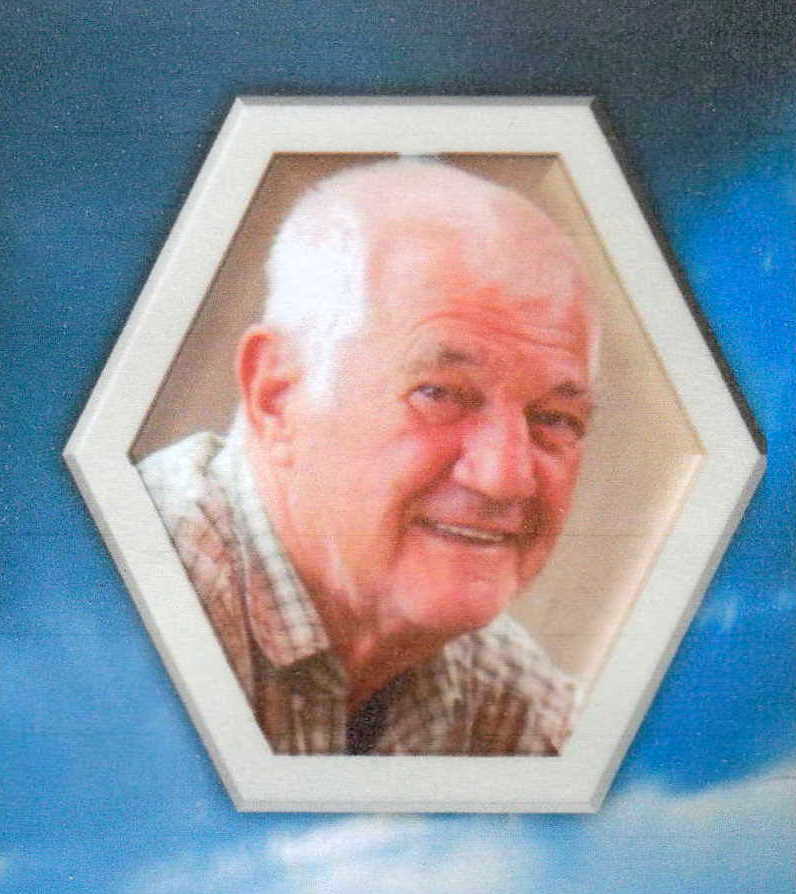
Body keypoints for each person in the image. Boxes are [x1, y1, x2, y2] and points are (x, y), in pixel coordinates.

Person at [139, 159, 598, 755]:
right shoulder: (142, 595)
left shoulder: (493, 680)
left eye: (555, 419)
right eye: (439, 394)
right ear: (276, 395)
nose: (504, 478)